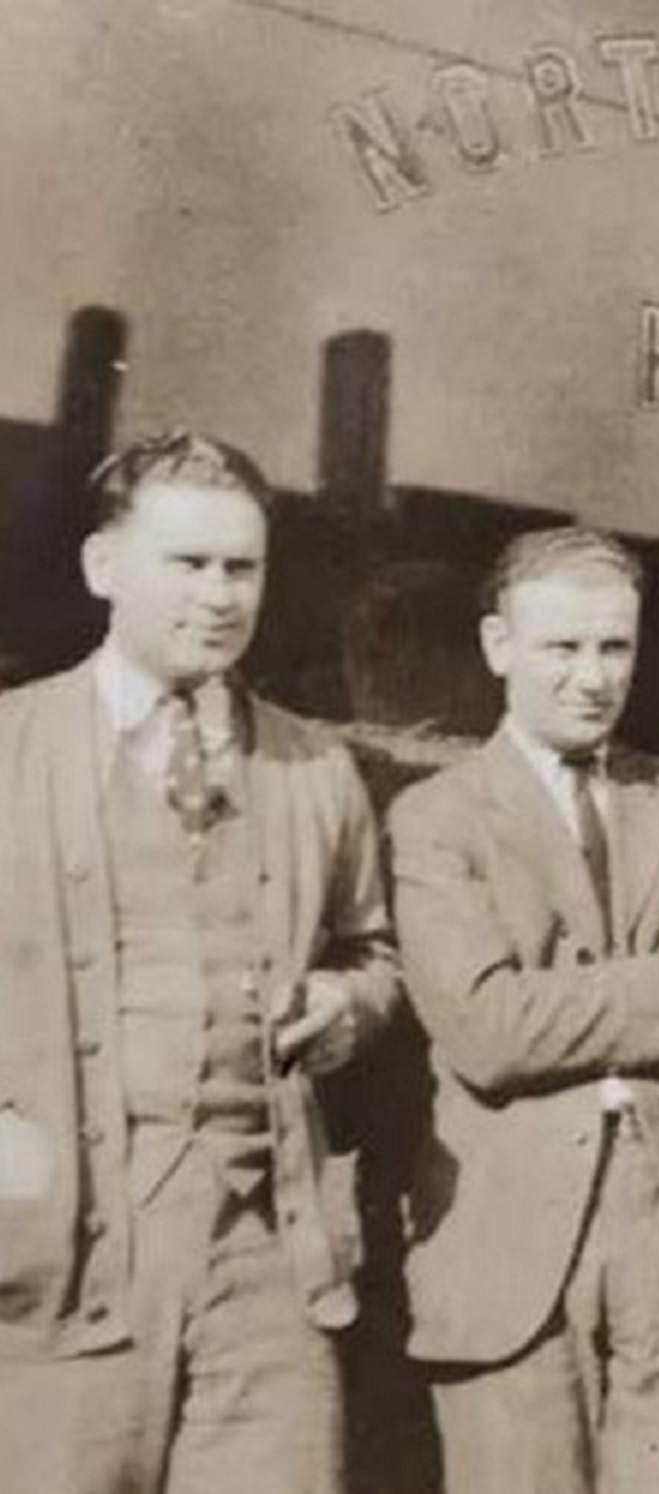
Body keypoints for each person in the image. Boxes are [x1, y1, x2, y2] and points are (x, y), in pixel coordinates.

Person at [0, 430, 401, 1493]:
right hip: (51, 1270)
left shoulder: (316, 769)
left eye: (241, 568)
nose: (219, 596)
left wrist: (349, 1002)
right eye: (188, 564)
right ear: (103, 567)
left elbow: (372, 952)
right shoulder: (10, 750)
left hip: (266, 1251)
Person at [388, 526, 659, 1494]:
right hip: (506, 1256)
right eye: (562, 648)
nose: (592, 679)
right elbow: (487, 1029)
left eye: (615, 649)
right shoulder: (435, 819)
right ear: (499, 646)